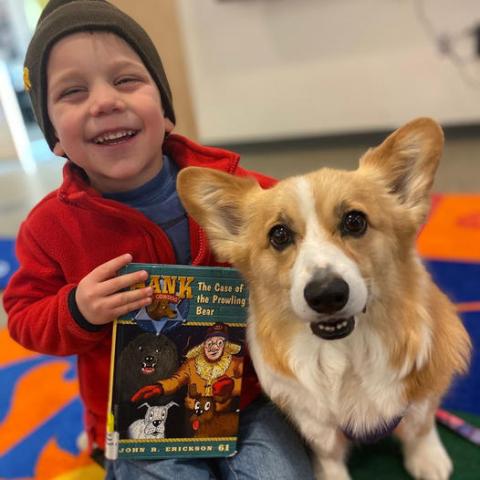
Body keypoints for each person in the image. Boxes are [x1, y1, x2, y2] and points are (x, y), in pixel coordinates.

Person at [3, 1, 315, 479]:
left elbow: (311, 228)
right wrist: (76, 309)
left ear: (165, 111)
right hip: (136, 417)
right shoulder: (49, 229)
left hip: (248, 396)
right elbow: (24, 318)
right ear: (55, 138)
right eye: (73, 91)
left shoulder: (237, 189)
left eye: (127, 80)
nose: (104, 101)